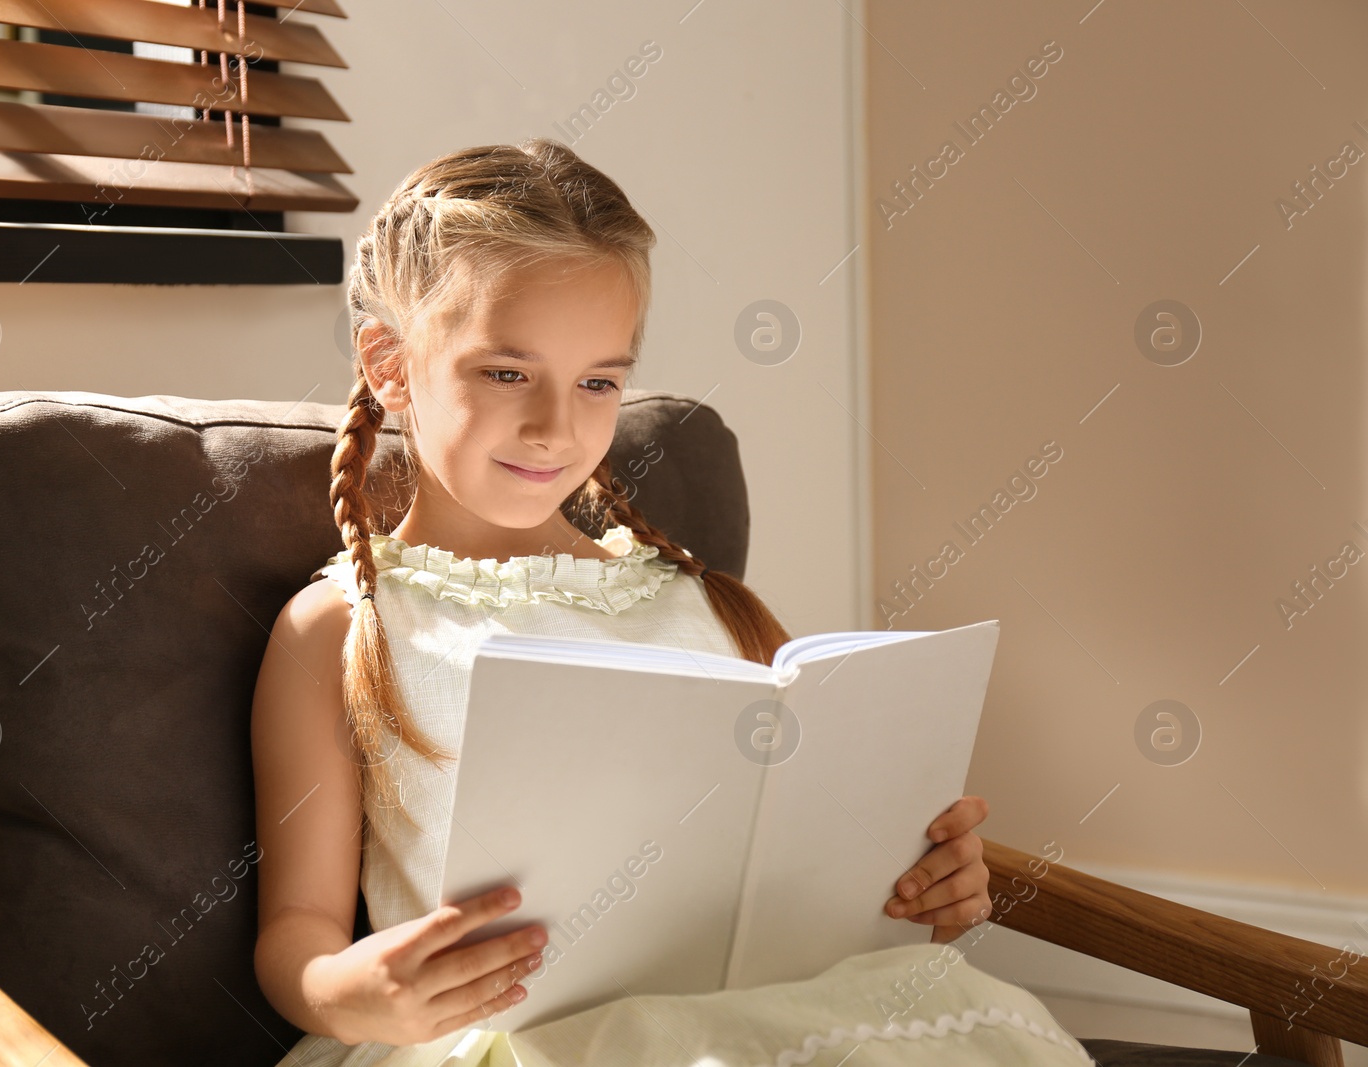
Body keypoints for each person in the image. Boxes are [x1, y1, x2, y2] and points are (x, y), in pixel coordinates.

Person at [250, 138, 1096, 1066]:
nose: (555, 426)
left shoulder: (705, 604)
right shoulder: (342, 627)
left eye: (599, 382)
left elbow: (797, 876)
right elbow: (297, 934)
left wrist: (925, 889)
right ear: (391, 363)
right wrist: (363, 994)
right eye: (506, 372)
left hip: (757, 1024)